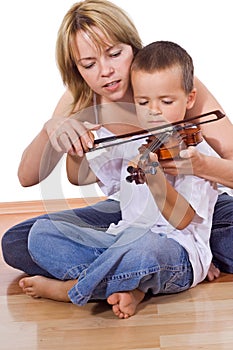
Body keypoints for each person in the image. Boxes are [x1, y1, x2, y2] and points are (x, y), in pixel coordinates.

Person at [1, 0, 233, 280]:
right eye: (89, 64)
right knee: (18, 240)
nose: (105, 71)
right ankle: (150, 267)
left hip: (198, 206)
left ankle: (166, 259)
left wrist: (199, 166)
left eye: (114, 54)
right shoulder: (80, 99)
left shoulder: (169, 83)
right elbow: (30, 177)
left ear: (133, 46)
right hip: (131, 209)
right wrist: (52, 129)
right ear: (77, 69)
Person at [18, 40, 219, 319]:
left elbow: (182, 220)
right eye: (143, 102)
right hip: (124, 240)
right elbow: (77, 176)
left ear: (190, 99)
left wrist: (154, 177)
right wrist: (79, 144)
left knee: (145, 250)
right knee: (43, 234)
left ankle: (73, 290)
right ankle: (136, 288)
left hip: (177, 252)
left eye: (167, 101)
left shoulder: (195, 152)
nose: (154, 111)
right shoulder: (131, 143)